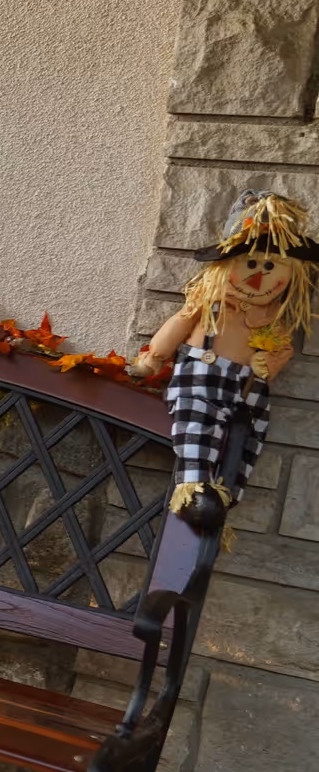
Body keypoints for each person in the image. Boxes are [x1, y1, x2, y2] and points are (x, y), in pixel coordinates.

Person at [129, 189, 316, 529]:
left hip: (247, 389)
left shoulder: (274, 319)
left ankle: (226, 496)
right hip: (201, 377)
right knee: (195, 424)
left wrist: (267, 366)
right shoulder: (209, 302)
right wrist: (154, 357)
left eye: (272, 267)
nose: (259, 275)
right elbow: (178, 324)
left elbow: (281, 351)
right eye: (250, 264)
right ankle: (194, 488)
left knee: (246, 437)